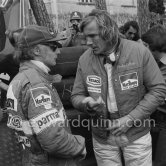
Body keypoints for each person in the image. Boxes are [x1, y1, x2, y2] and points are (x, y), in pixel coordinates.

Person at [71, 9, 166, 166]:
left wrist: (130, 119)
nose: (88, 42)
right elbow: (76, 96)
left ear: (108, 32)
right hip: (102, 137)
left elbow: (158, 90)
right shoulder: (84, 59)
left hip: (136, 134)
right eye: (86, 37)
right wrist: (85, 103)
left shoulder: (139, 52)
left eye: (93, 36)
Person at [6, 25, 86, 166]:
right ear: (36, 50)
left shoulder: (19, 79)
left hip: (32, 158)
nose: (59, 51)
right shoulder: (36, 85)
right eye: (54, 46)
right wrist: (79, 145)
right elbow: (53, 140)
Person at [142, 24, 166, 166]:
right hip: (157, 118)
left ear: (153, 46)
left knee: (160, 162)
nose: (144, 49)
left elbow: (159, 96)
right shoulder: (157, 64)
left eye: (146, 45)